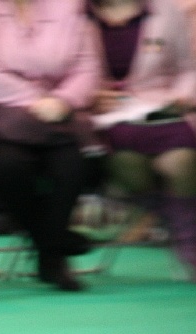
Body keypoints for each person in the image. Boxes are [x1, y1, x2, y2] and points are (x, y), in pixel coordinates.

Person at [0, 0, 102, 291]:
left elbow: (87, 67)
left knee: (73, 162)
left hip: (53, 114)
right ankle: (51, 246)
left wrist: (64, 100)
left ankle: (47, 244)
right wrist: (35, 100)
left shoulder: (69, 6)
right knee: (9, 165)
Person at [88, 0, 196, 281]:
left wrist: (182, 97)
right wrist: (90, 95)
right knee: (127, 162)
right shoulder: (73, 12)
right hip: (103, 117)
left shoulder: (165, 9)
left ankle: (187, 242)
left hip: (161, 108)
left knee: (182, 162)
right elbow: (61, 69)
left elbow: (187, 67)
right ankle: (177, 227)